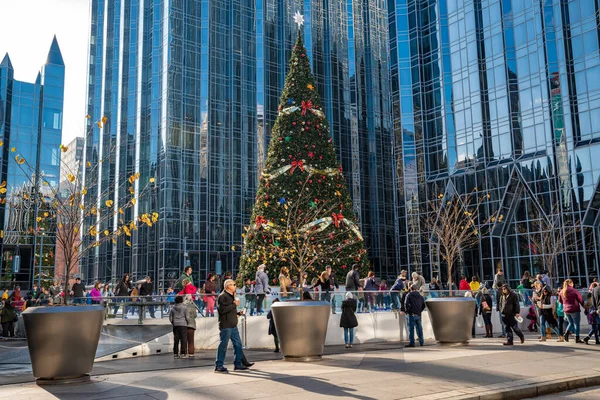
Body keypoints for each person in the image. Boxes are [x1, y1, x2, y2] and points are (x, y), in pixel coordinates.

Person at [215, 279, 247, 373]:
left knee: (238, 344)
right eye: (233, 284)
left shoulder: (230, 296)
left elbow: (229, 310)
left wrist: (237, 313)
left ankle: (238, 363)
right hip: (226, 325)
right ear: (228, 286)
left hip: (233, 325)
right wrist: (234, 304)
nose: (235, 286)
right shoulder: (222, 296)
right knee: (223, 345)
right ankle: (219, 365)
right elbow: (223, 310)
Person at [559, 278, 584, 343]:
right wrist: (584, 306)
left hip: (566, 310)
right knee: (576, 324)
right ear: (571, 283)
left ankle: (566, 334)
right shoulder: (574, 291)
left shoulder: (562, 291)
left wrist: (565, 305)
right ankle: (577, 338)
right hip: (574, 309)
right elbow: (580, 299)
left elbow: (560, 301)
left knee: (570, 323)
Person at [404, 283, 426, 347]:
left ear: (411, 289)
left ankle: (412, 342)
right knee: (419, 328)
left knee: (411, 329)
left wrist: (408, 312)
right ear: (416, 289)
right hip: (418, 314)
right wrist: (419, 311)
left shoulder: (409, 295)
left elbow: (406, 304)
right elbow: (423, 305)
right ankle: (421, 342)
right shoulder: (420, 296)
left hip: (412, 314)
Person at [493, 267, 506, 338]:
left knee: (502, 321)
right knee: (503, 321)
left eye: (501, 272)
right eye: (500, 272)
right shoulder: (496, 276)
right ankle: (505, 333)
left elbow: (503, 281)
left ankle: (504, 333)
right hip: (498, 288)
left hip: (502, 308)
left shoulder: (500, 292)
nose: (501, 273)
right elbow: (496, 282)